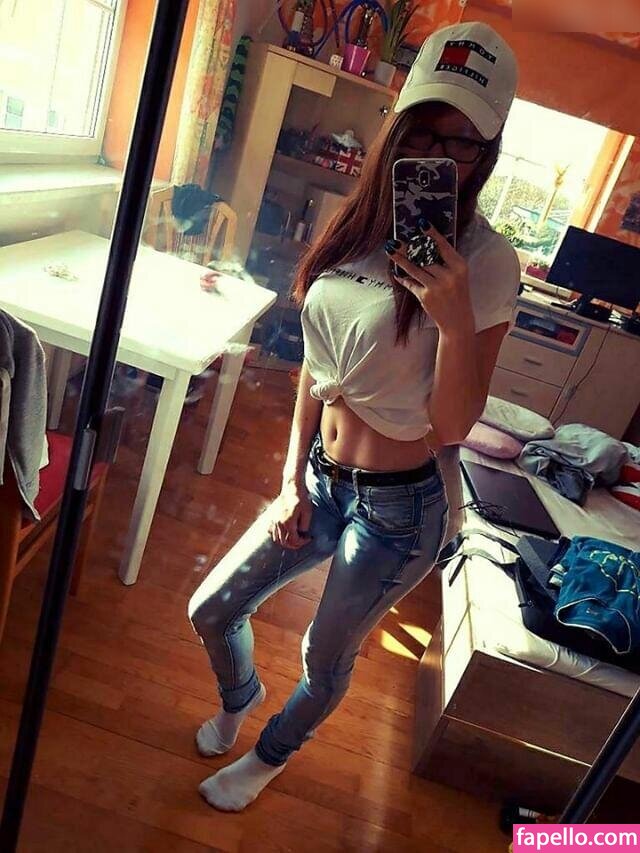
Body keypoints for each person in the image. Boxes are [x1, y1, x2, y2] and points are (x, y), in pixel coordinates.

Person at [190, 20, 520, 812]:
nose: (440, 155)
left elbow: (451, 427)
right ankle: (240, 695)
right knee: (213, 609)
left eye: (463, 141)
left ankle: (269, 755)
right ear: (397, 126)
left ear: (487, 152)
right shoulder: (354, 226)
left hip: (401, 512)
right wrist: (289, 481)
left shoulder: (486, 262)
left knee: (323, 655)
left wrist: (453, 320)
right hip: (319, 478)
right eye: (425, 130)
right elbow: (317, 367)